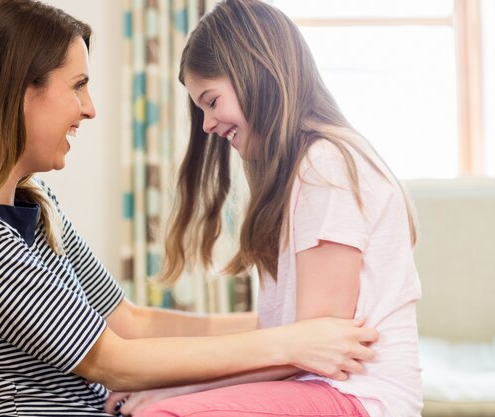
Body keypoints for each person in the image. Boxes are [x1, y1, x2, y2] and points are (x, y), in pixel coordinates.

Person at [0, 0, 379, 416]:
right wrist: (292, 344)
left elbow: (130, 322)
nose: (90, 108)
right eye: (77, 85)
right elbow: (112, 360)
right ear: (18, 91)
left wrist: (281, 324)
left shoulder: (34, 205)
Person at [105, 1, 423, 416]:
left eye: (212, 101)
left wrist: (172, 394)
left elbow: (310, 349)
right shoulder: (302, 171)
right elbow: (287, 342)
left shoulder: (325, 165)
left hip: (357, 396)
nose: (207, 125)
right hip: (320, 387)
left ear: (255, 72)